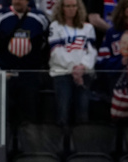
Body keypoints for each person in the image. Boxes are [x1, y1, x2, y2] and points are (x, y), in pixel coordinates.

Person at [0, 0, 51, 127]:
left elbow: (46, 43)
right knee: (4, 117)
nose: (18, 1)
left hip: (30, 74)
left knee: (29, 117)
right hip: (5, 74)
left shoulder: (40, 18)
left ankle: (28, 145)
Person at [48, 0, 97, 128]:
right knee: (63, 111)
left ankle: (82, 143)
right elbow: (56, 52)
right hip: (62, 74)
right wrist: (73, 68)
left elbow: (91, 52)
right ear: (62, 8)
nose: (71, 9)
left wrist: (82, 67)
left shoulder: (88, 28)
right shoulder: (55, 26)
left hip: (83, 74)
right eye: (68, 6)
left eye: (74, 6)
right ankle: (62, 144)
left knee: (82, 110)